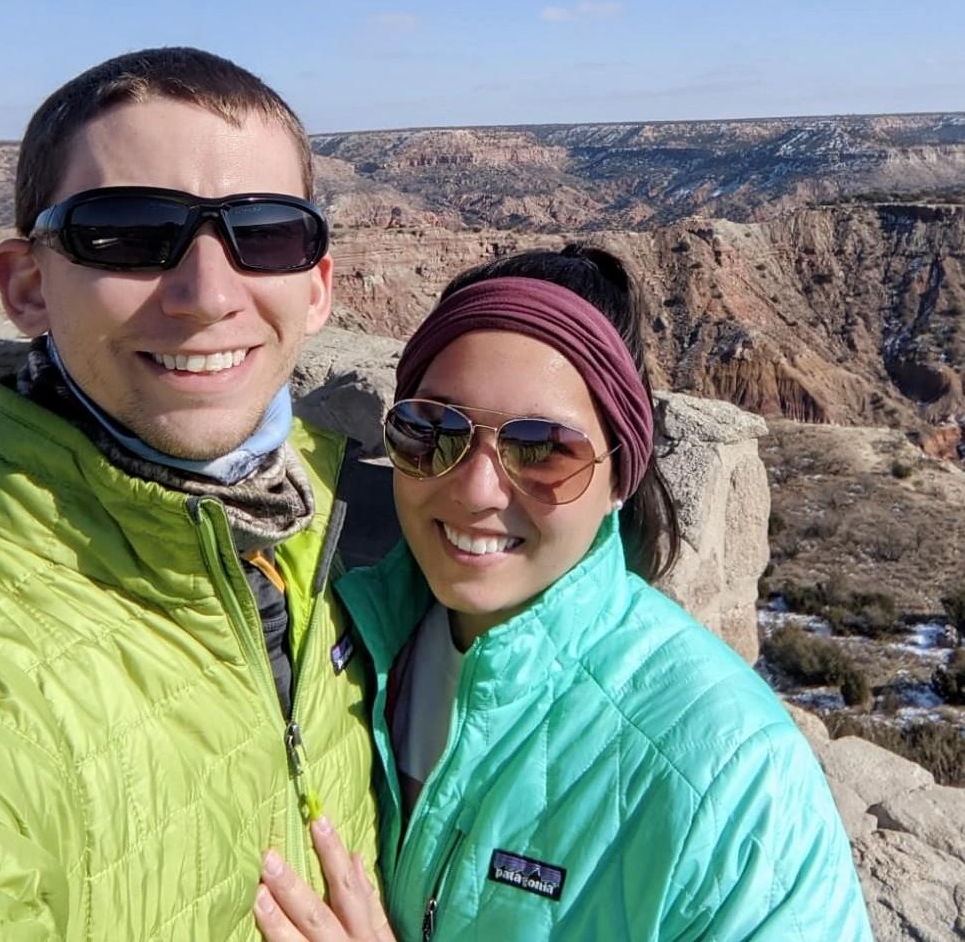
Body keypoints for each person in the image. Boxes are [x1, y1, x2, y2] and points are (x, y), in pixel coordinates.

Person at [0, 47, 380, 938]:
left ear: (316, 286)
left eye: (264, 231)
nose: (206, 294)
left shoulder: (333, 521)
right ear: (27, 286)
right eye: (125, 233)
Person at [253, 246, 874, 940]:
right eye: (431, 429)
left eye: (543, 448)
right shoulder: (342, 645)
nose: (476, 490)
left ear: (618, 478)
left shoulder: (732, 778)